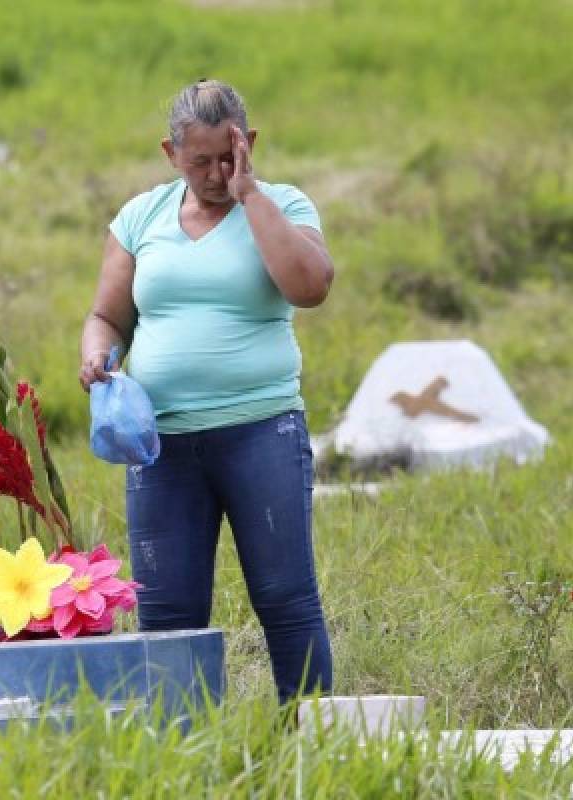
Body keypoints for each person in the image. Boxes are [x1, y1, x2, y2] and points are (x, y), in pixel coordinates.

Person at [79, 79, 335, 705]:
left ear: (250, 145)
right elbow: (109, 318)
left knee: (283, 595)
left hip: (262, 432)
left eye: (231, 156)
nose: (218, 172)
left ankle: (314, 744)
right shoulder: (140, 218)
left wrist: (251, 196)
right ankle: (182, 755)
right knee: (167, 611)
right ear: (171, 153)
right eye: (201, 161)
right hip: (161, 444)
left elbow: (310, 287)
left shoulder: (284, 205)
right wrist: (96, 356)